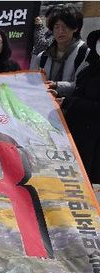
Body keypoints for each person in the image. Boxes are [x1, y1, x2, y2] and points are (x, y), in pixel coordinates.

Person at [62, 29, 100, 184]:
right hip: (77, 134)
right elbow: (77, 90)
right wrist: (58, 90)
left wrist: (69, 102)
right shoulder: (89, 69)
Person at [30, 4, 88, 99]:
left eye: (65, 26)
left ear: (75, 28)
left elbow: (85, 86)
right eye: (56, 27)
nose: (60, 31)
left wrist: (57, 86)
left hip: (73, 106)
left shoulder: (85, 54)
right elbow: (32, 82)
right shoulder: (43, 56)